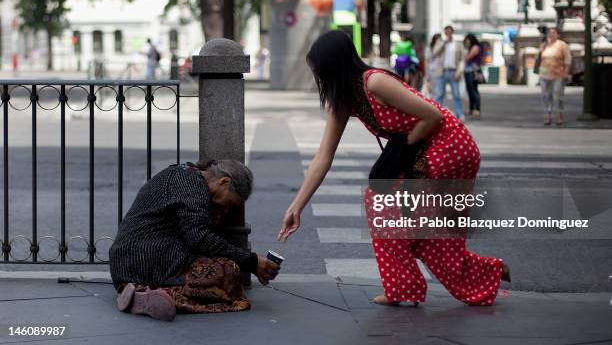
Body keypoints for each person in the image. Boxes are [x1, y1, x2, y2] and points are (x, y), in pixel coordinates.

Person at [277, 30, 510, 306]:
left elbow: (433, 115)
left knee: (388, 208)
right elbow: (323, 157)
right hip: (424, 149)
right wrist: (296, 206)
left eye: (320, 72)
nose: (318, 79)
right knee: (426, 236)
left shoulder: (374, 82)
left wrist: (403, 146)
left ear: (334, 66)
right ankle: (482, 273)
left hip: (448, 147)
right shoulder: (343, 101)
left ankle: (404, 287)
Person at [109, 160, 280, 321]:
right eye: (230, 203)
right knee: (228, 271)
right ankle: (157, 293)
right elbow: (199, 238)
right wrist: (250, 261)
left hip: (133, 260)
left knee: (218, 268)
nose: (228, 209)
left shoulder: (186, 174)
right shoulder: (192, 185)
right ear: (224, 182)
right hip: (145, 258)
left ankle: (140, 295)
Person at [538, 27, 571, 126]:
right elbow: (539, 58)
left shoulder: (562, 45)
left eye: (553, 33)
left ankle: (559, 115)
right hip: (544, 74)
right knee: (546, 96)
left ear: (558, 35)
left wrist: (566, 72)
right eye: (549, 33)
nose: (551, 35)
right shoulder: (545, 45)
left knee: (558, 96)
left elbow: (567, 60)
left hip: (558, 74)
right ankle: (548, 115)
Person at [435, 26, 465, 121]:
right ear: (444, 33)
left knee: (456, 95)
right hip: (442, 72)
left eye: (450, 32)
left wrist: (459, 71)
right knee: (439, 94)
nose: (448, 34)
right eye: (446, 32)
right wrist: (444, 43)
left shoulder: (458, 44)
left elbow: (462, 59)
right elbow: (435, 52)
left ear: (452, 32)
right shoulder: (440, 43)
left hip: (453, 72)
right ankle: (436, 114)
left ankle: (460, 114)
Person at [463, 34, 483, 118]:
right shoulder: (472, 48)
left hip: (473, 71)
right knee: (470, 90)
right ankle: (471, 109)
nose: (466, 43)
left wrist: (465, 51)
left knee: (474, 90)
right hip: (469, 70)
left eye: (467, 41)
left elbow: (467, 58)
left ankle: (477, 109)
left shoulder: (475, 47)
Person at [424, 34, 444, 99]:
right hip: (432, 71)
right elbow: (426, 61)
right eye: (438, 40)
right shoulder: (429, 49)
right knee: (432, 90)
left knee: (439, 91)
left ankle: (437, 105)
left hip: (441, 71)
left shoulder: (443, 48)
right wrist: (426, 74)